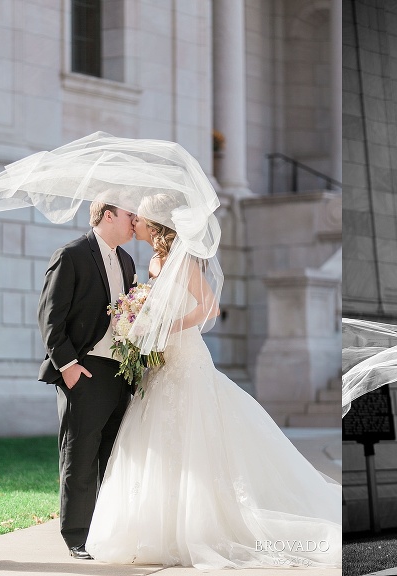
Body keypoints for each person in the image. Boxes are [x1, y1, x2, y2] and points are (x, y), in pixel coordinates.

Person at [85, 195, 342, 569]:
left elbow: (209, 308)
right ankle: (162, 529)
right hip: (163, 364)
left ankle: (203, 526)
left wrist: (166, 326)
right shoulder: (153, 261)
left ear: (154, 224)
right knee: (159, 441)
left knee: (196, 437)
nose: (134, 221)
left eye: (139, 216)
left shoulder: (182, 259)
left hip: (187, 358)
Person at [37, 200, 137, 560]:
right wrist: (68, 366)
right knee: (79, 456)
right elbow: (50, 317)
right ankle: (77, 537)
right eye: (130, 215)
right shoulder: (72, 254)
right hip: (83, 370)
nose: (135, 222)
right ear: (108, 215)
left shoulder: (127, 261)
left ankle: (103, 532)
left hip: (119, 374)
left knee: (111, 459)